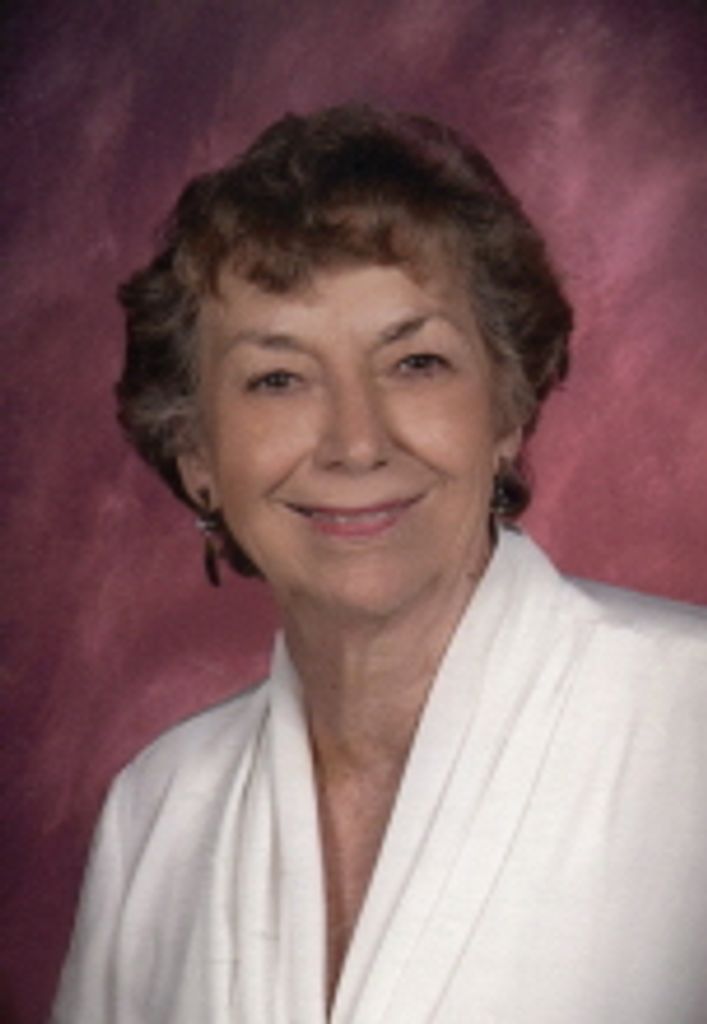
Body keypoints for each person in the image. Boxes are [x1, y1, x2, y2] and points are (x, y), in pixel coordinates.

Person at [51, 104, 707, 1023]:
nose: (356, 444)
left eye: (416, 363)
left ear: (507, 407)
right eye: (278, 379)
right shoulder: (156, 814)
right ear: (196, 453)